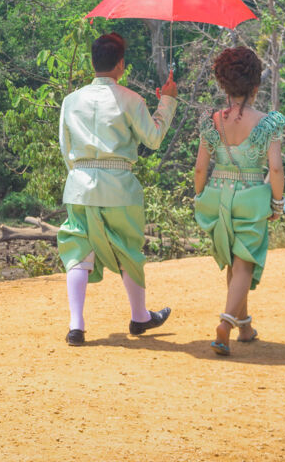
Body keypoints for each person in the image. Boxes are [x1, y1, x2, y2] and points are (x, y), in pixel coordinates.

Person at [57, 32, 178, 346]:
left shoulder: (71, 101)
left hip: (79, 184)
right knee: (128, 248)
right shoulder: (131, 99)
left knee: (78, 250)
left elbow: (64, 145)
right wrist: (168, 100)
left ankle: (76, 326)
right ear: (121, 65)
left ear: (93, 62)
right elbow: (153, 138)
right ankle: (139, 317)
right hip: (120, 185)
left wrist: (80, 179)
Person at [193, 46, 285, 356]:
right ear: (255, 85)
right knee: (244, 262)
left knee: (235, 262)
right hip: (249, 198)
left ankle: (244, 326)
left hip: (217, 196)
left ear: (223, 84)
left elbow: (200, 167)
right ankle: (225, 323)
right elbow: (274, 168)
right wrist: (276, 203)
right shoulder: (268, 122)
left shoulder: (212, 121)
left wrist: (199, 197)